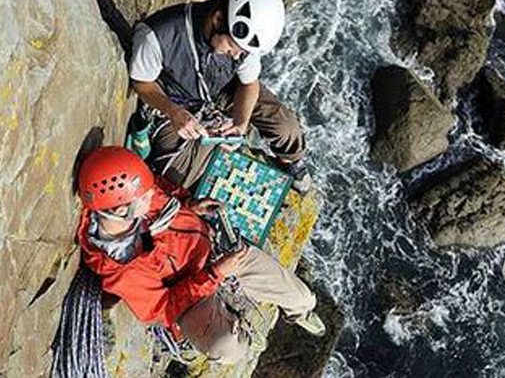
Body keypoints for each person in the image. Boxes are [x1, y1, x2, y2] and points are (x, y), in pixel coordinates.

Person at [76, 146, 325, 364]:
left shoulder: (127, 203)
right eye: (145, 194)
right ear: (121, 209)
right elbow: (162, 309)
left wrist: (188, 205)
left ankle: (300, 312)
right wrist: (215, 274)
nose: (150, 191)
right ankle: (246, 328)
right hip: (212, 270)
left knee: (303, 299)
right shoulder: (123, 270)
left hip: (212, 255)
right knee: (227, 348)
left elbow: (161, 193)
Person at [130, 0, 311, 191]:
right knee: (182, 175)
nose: (237, 56)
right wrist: (174, 112)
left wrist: (240, 123)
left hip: (223, 88)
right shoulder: (158, 36)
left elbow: (249, 84)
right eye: (234, 48)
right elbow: (142, 83)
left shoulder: (242, 42)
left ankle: (288, 161)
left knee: (285, 127)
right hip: (172, 101)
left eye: (243, 52)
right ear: (217, 19)